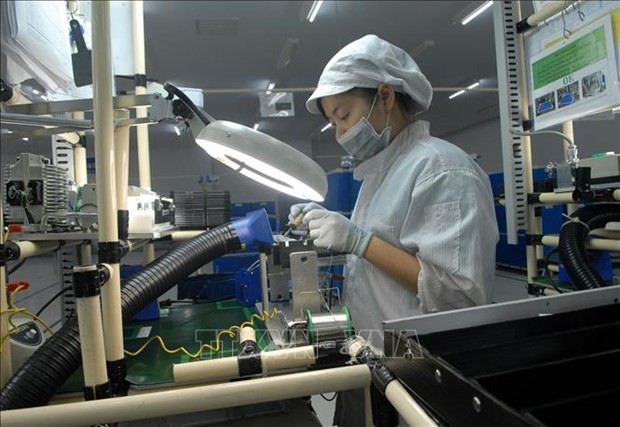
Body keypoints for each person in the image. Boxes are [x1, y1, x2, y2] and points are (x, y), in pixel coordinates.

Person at [289, 34, 498, 426]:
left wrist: (359, 240)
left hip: (420, 377)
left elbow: (457, 296)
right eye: (332, 121)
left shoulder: (441, 169)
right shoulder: (379, 174)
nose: (338, 132)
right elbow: (385, 254)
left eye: (344, 114)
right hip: (374, 363)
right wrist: (336, 225)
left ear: (385, 96)